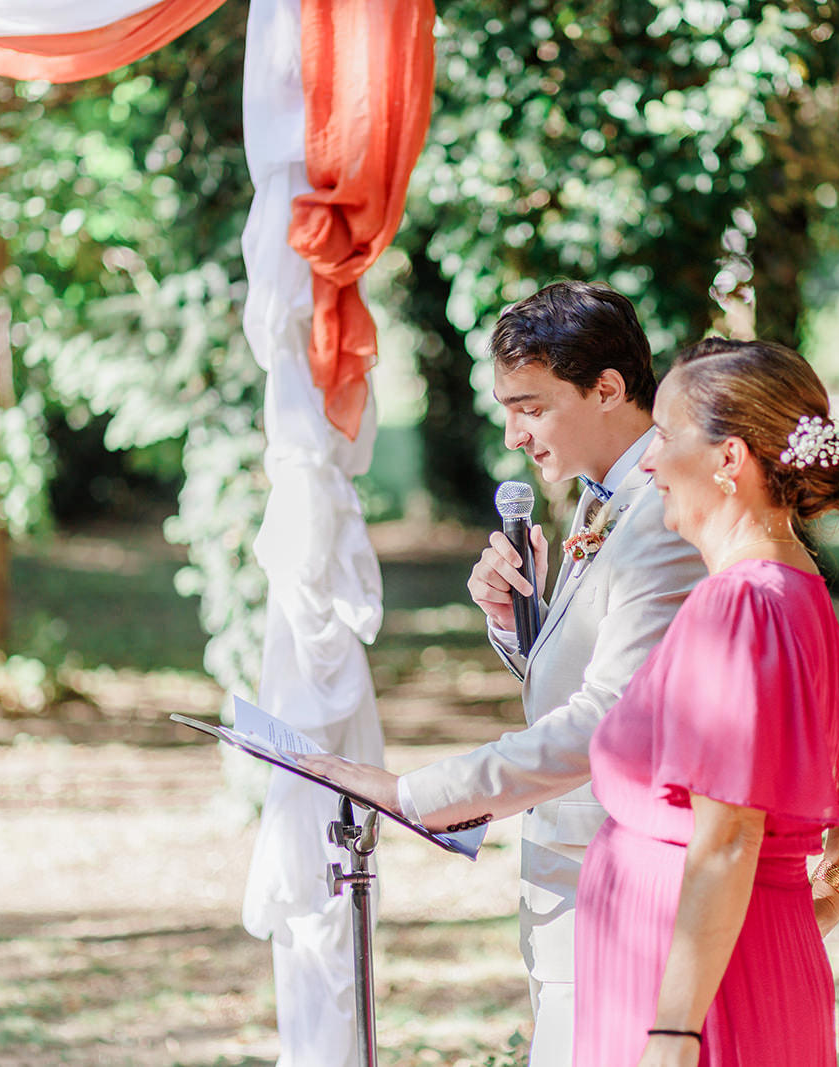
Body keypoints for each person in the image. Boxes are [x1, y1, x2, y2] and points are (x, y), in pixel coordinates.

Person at [300, 281, 705, 1066]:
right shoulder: (605, 498)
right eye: (505, 407)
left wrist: (415, 793)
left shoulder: (659, 512)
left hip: (623, 893)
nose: (514, 433)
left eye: (531, 405)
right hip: (570, 881)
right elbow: (603, 674)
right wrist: (521, 620)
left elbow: (609, 723)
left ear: (609, 389)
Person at [572, 337, 839, 1067]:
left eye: (664, 437)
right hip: (747, 954)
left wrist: (672, 1030)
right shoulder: (793, 594)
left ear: (730, 461)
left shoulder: (741, 607)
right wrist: (825, 897)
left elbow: (728, 836)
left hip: (697, 988)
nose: (649, 462)